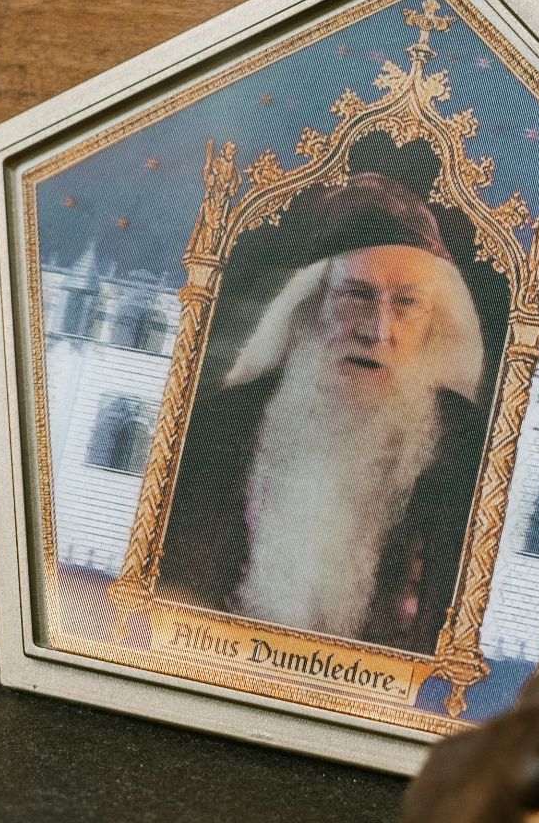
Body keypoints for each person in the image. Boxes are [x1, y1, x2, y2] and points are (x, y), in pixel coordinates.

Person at [156, 173, 490, 655]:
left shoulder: (469, 452)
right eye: (356, 295)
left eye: (407, 304)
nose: (377, 331)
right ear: (312, 303)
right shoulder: (221, 424)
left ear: (433, 323)